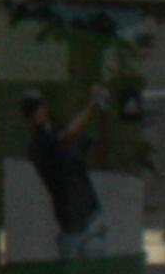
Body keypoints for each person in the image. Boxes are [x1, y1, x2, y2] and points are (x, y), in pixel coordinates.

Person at [20, 85, 110, 257]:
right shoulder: (37, 145)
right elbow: (67, 137)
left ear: (44, 107)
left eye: (36, 107)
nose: (34, 113)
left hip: (90, 217)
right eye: (29, 111)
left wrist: (104, 112)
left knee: (95, 267)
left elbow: (99, 150)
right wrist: (92, 103)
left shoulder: (59, 132)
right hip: (70, 226)